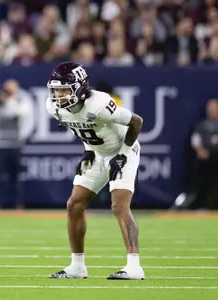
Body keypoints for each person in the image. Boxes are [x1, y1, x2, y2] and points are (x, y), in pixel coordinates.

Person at [46, 61, 144, 280]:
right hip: (98, 153)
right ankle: (77, 266)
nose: (59, 95)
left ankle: (134, 266)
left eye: (64, 89)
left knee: (119, 205)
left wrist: (122, 153)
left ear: (80, 88)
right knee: (74, 204)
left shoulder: (99, 104)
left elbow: (136, 122)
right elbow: (83, 128)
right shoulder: (54, 107)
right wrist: (88, 149)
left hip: (123, 149)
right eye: (56, 90)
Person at [0, 79, 32, 209]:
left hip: (16, 144)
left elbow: (22, 114)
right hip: (0, 144)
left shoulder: (21, 101)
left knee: (16, 176)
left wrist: (9, 100)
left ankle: (17, 203)